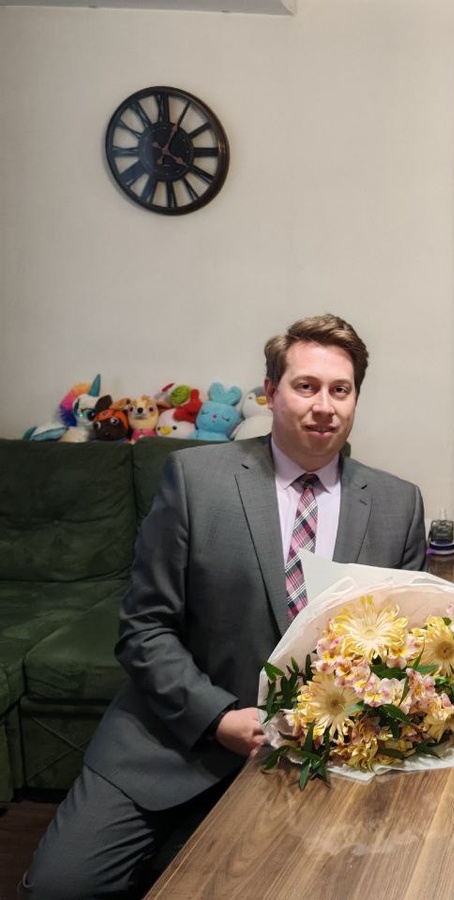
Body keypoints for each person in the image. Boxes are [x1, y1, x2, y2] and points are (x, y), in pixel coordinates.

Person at [24, 314, 427, 898]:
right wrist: (216, 718)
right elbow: (144, 628)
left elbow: (404, 648)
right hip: (174, 740)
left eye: (340, 390)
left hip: (328, 757)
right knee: (58, 887)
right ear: (271, 391)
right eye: (306, 386)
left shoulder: (397, 504)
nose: (324, 406)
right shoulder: (195, 480)